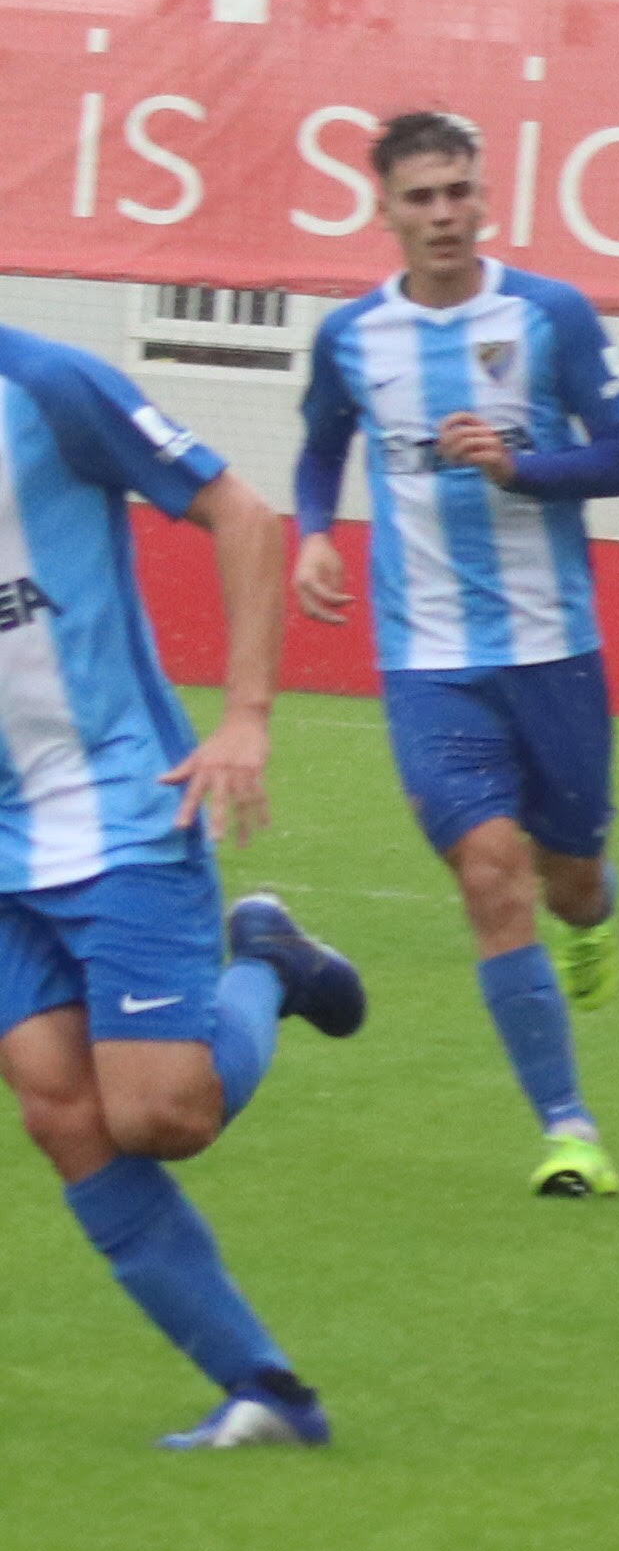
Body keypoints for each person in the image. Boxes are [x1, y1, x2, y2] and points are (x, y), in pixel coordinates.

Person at [2, 325, 372, 1447]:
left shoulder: (47, 386)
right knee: (62, 1110)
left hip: (123, 802)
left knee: (161, 1114)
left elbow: (244, 515)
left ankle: (262, 959)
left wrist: (246, 716)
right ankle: (266, 1390)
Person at [294, 109, 619, 1195]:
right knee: (491, 878)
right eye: (420, 197)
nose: (443, 214)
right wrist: (312, 533)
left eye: (459, 191)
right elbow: (318, 451)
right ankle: (569, 1128)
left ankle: (590, 913)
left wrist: (521, 471)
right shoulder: (352, 336)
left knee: (568, 879)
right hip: (426, 657)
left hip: (553, 649)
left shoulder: (550, 315)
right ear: (385, 209)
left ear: (484, 194)